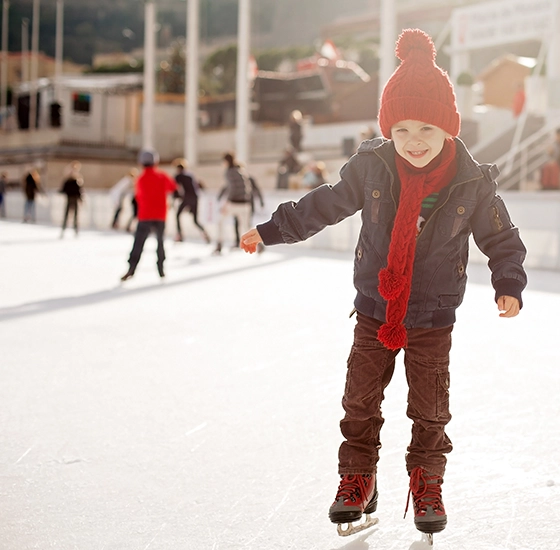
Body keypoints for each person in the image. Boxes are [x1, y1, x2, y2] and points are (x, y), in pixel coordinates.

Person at [238, 28, 527, 540]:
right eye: (402, 131)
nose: (414, 142)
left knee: (431, 409)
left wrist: (509, 281)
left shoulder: (473, 182)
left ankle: (426, 484)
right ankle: (358, 480)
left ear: (449, 129)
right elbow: (322, 205)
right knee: (360, 400)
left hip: (434, 315)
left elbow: (501, 239)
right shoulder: (371, 167)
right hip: (375, 306)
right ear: (388, 131)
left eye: (428, 130)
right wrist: (270, 230)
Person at [121, 149, 177, 282]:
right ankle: (161, 268)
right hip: (160, 215)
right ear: (156, 162)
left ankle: (131, 268)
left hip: (145, 215)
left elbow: (138, 196)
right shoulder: (162, 176)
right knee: (160, 242)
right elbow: (173, 188)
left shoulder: (140, 179)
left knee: (138, 242)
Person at [214, 152, 256, 255]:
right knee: (246, 227)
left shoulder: (229, 172)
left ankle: (219, 245)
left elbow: (232, 188)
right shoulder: (240, 171)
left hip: (234, 203)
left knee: (220, 222)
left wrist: (226, 203)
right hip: (245, 203)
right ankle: (259, 246)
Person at [173, 159, 210, 243]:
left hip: (187, 198)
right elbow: (198, 185)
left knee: (178, 215)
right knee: (195, 220)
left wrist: (177, 197)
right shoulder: (190, 175)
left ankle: (180, 235)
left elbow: (175, 188)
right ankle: (204, 233)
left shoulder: (178, 176)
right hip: (195, 198)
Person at [60, 161, 84, 237]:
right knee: (68, 215)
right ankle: (64, 230)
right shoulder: (69, 180)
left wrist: (80, 198)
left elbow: (79, 191)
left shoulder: (77, 180)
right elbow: (63, 189)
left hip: (74, 199)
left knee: (74, 215)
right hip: (70, 198)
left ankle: (75, 230)